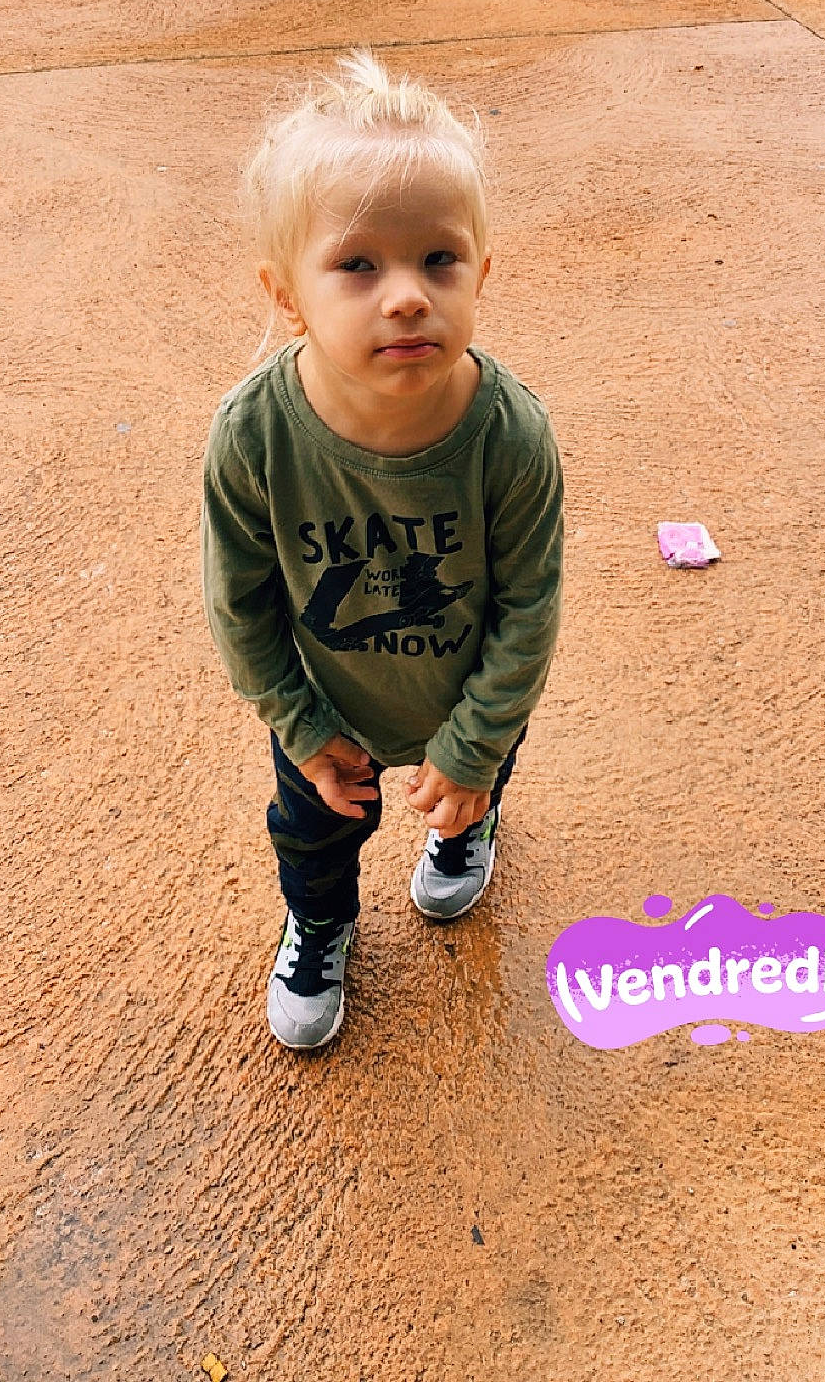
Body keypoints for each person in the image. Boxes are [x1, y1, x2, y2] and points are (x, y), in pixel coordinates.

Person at [201, 51, 563, 1051]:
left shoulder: (510, 433)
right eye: (358, 265)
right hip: (327, 703)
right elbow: (242, 602)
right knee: (312, 837)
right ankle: (319, 926)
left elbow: (529, 605)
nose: (405, 294)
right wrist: (299, 721)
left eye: (438, 259)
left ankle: (468, 827)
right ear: (288, 296)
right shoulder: (254, 438)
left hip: (469, 686)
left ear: (481, 274)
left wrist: (478, 742)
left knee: (472, 781)